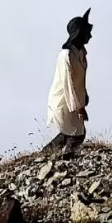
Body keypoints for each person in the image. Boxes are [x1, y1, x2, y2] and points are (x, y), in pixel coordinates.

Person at [45, 8, 92, 156]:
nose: (90, 35)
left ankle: (45, 155)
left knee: (70, 134)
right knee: (76, 134)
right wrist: (79, 107)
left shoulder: (81, 53)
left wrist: (84, 96)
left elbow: (80, 80)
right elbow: (68, 84)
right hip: (63, 101)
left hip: (74, 101)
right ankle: (64, 159)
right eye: (87, 32)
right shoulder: (65, 55)